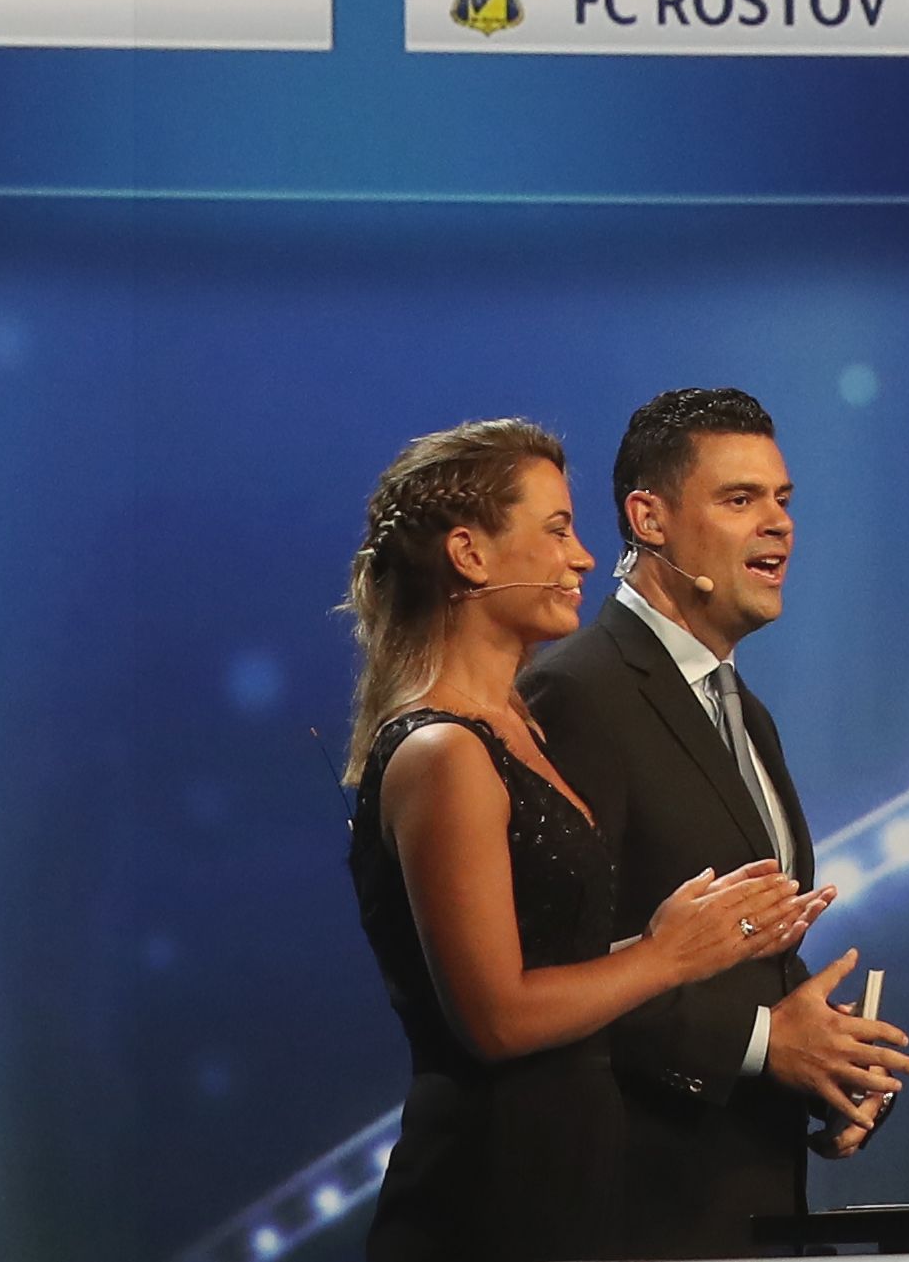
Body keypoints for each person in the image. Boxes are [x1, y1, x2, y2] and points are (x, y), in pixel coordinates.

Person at [335, 419, 829, 1262]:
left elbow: (564, 952)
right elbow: (494, 1015)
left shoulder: (518, 725)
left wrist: (703, 954)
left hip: (570, 1186)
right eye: (557, 530)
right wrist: (669, 954)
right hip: (487, 1198)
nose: (584, 557)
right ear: (470, 553)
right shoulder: (444, 749)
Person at [522, 386, 909, 1248]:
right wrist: (762, 1041)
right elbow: (539, 976)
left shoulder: (745, 708)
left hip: (747, 1199)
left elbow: (742, 952)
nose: (777, 524)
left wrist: (828, 1059)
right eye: (740, 499)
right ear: (649, 518)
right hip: (636, 1208)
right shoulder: (577, 693)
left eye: (783, 500)